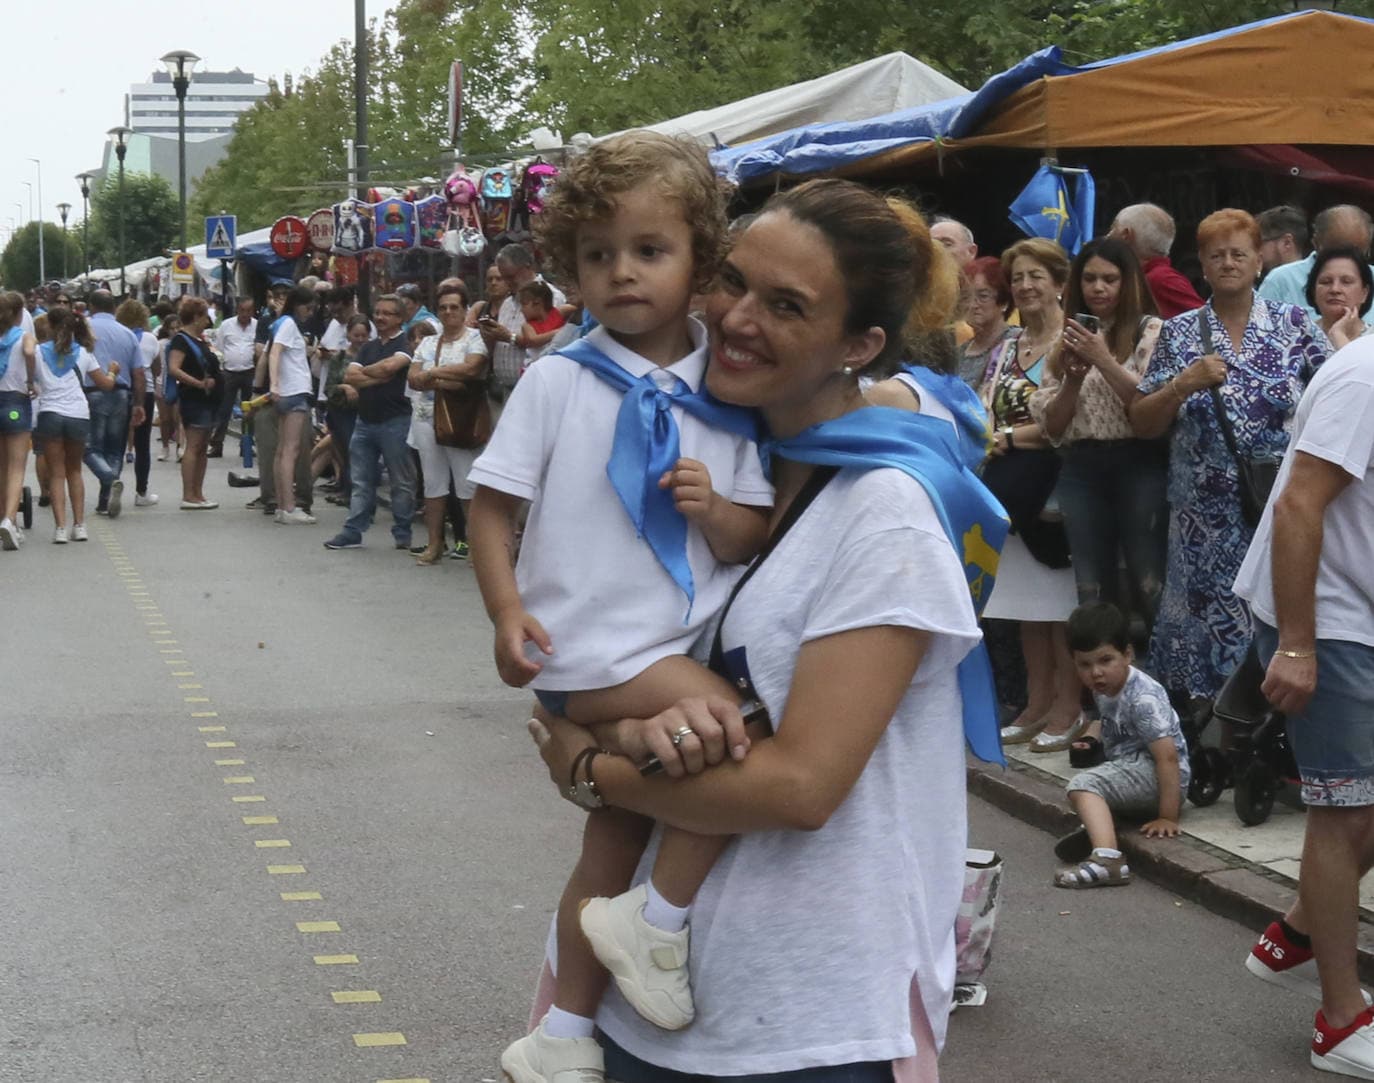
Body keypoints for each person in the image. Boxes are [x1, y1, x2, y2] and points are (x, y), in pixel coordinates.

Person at [523, 176, 1002, 1083]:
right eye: (732, 281)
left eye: (786, 306)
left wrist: (593, 769)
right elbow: (595, 659)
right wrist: (617, 729)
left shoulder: (885, 510)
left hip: (809, 1021)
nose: (737, 318)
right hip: (653, 1003)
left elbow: (799, 786)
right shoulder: (715, 460)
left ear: (858, 345)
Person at [470, 131, 773, 1083]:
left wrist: (715, 508)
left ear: (700, 260)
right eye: (598, 256)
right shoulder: (559, 379)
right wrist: (505, 610)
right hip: (593, 647)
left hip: (674, 639)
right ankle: (662, 918)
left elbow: (748, 534)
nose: (622, 274)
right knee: (739, 733)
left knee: (610, 839)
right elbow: (491, 506)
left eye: (650, 251)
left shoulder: (727, 393)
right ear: (569, 267)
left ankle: (559, 1035)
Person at [1232, 330, 1374, 1079]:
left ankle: (1298, 927)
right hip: (1329, 616)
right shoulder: (1365, 378)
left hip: (1360, 615)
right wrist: (1296, 643)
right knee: (1343, 808)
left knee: (1361, 805)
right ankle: (1340, 1021)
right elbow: (1297, 507)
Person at [1131, 208, 1327, 703]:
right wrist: (1182, 383)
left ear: (1259, 260)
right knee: (1200, 633)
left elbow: (1334, 397)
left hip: (1277, 510)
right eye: (1217, 255)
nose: (1229, 263)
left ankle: (1269, 739)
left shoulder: (1296, 325)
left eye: (1239, 253)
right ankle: (1206, 739)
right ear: (1202, 264)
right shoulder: (1177, 334)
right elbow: (1143, 422)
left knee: (1278, 618)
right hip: (1202, 522)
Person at [1029, 237, 1167, 635]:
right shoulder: (1064, 337)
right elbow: (1052, 428)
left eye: (1110, 279)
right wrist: (1073, 379)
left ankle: (1171, 687)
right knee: (1091, 587)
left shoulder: (1150, 330)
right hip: (1081, 466)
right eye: (1089, 279)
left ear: (1128, 283)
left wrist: (1102, 359)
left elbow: (1149, 402)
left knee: (1149, 579)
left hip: (1138, 461)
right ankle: (1104, 688)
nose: (1098, 288)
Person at [982, 238, 1083, 752]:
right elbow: (989, 406)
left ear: (1060, 282)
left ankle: (1069, 705)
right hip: (1010, 490)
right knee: (1024, 605)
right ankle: (1037, 702)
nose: (1025, 286)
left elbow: (1065, 420)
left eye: (1036, 276)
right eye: (1018, 277)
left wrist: (1004, 438)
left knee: (1060, 608)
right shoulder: (1008, 345)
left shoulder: (1074, 341)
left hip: (1056, 488)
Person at [1053, 603, 1189, 889]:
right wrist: (1091, 736)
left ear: (1128, 654)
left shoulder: (1143, 700)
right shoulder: (1104, 688)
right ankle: (1107, 824)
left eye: (1105, 660)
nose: (1096, 673)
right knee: (1092, 785)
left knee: (1083, 786)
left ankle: (1108, 860)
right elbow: (1107, 720)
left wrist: (1168, 815)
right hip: (1131, 766)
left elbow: (1168, 757)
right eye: (1085, 665)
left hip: (1158, 775)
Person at [323, 294, 417, 551]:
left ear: (399, 318)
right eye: (378, 312)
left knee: (400, 480)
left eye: (387, 313)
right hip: (364, 421)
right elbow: (351, 375)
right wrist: (379, 375)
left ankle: (402, 530)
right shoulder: (368, 347)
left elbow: (391, 367)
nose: (381, 317)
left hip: (395, 421)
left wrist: (373, 373)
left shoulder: (405, 345)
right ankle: (353, 530)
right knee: (360, 479)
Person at [407, 281, 489, 565]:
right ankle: (434, 543)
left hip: (460, 420)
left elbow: (472, 370)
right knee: (433, 483)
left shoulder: (474, 339)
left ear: (465, 309)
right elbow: (413, 378)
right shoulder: (429, 341)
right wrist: (445, 379)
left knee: (467, 483)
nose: (448, 312)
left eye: (454, 307)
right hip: (425, 418)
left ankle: (477, 547)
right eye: (443, 307)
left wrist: (434, 374)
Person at [33, 305, 118, 543]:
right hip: (78, 415)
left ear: (49, 326)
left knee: (56, 474)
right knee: (74, 471)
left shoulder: (39, 353)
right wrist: (112, 371)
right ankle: (79, 525)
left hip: (49, 414)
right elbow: (105, 385)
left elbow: (29, 375)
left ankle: (60, 528)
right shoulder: (84, 354)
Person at [83, 290, 146, 518]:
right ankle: (105, 499)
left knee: (89, 448)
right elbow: (138, 372)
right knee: (114, 448)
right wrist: (139, 404)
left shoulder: (84, 329)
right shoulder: (127, 333)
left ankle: (110, 480)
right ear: (113, 307)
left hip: (92, 392)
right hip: (121, 394)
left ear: (92, 306)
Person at [1258, 204, 1374, 320]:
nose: (1335, 289)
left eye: (1358, 254)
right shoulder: (1281, 280)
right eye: (1335, 254)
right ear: (1316, 243)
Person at [482, 244, 566, 400]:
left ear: (527, 267)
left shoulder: (552, 297)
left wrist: (510, 337)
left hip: (536, 390)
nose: (507, 282)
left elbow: (552, 344)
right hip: (504, 390)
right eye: (504, 277)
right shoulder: (507, 303)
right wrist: (491, 336)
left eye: (510, 276)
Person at [268, 285, 319, 525]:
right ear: (299, 305)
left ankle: (282, 505)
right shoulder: (289, 324)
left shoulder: (282, 323)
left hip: (286, 390)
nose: (310, 312)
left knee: (282, 451)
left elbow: (275, 352)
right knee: (291, 450)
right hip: (295, 390)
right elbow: (275, 353)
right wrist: (274, 383)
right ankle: (289, 506)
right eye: (309, 307)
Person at [166, 297, 222, 510]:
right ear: (196, 317)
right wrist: (198, 383)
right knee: (194, 445)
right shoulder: (182, 340)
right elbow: (174, 368)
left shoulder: (198, 339)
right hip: (194, 398)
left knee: (201, 447)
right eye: (205, 315)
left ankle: (198, 493)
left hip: (207, 399)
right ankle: (189, 494)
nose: (208, 320)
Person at [1109, 203, 1205, 318]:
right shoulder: (1139, 277)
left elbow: (1210, 325)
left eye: (1113, 228)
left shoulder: (1162, 279)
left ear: (1126, 235)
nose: (1108, 236)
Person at [0, 291, 37, 550]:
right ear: (17, 314)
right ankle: (10, 520)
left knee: (1, 467)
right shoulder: (23, 336)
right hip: (16, 402)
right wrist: (31, 379)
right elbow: (30, 351)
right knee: (17, 466)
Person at [116, 299, 161, 508]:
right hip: (146, 392)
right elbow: (157, 368)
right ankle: (141, 491)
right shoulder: (151, 339)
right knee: (143, 445)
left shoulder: (118, 336)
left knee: (116, 442)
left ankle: (109, 487)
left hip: (121, 390)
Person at [322, 314, 368, 506]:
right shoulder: (339, 358)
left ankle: (359, 493)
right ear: (348, 335)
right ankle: (348, 490)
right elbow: (328, 388)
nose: (359, 339)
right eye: (356, 335)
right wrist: (345, 387)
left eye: (363, 335)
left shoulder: (373, 355)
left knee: (360, 454)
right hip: (341, 413)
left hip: (366, 412)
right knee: (346, 452)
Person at [956, 255, 1016, 391]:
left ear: (1005, 302)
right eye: (966, 297)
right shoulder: (959, 353)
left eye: (982, 296)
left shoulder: (1016, 342)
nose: (972, 304)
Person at [210, 297, 259, 457]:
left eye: (248, 311)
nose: (245, 314)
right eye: (242, 310)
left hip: (250, 371)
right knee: (223, 409)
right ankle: (217, 444)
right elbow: (219, 348)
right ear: (237, 310)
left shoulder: (257, 326)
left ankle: (246, 444)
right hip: (230, 372)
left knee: (249, 411)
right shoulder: (226, 325)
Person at [1307, 246, 1373, 351]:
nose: (1335, 289)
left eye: (1346, 282)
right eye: (1326, 282)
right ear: (1313, 291)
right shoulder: (1299, 338)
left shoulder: (1370, 339)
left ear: (1364, 293)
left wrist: (1338, 335)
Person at [514, 280, 566, 366]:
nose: (521, 310)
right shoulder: (527, 326)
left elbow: (576, 307)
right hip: (536, 365)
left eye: (524, 304)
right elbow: (533, 340)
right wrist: (558, 332)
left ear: (537, 302)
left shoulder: (559, 312)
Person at [1258, 204, 1310, 275]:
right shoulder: (1316, 279)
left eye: (1259, 242)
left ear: (1287, 242)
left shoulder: (1275, 279)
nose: (1256, 250)